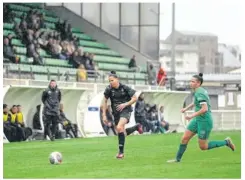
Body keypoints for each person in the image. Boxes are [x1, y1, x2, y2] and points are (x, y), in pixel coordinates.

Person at [167, 73, 235, 163]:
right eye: (190, 81)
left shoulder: (200, 92)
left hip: (204, 121)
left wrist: (191, 115)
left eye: (193, 81)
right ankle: (177, 160)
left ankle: (226, 142)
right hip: (197, 120)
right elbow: (195, 102)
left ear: (198, 83)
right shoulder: (198, 91)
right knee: (184, 138)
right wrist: (185, 109)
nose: (190, 83)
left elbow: (204, 109)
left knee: (203, 147)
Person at [102, 71, 143, 159]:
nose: (110, 82)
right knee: (121, 132)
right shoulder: (109, 89)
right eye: (109, 81)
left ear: (117, 79)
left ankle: (121, 153)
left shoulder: (125, 88)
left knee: (119, 127)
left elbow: (135, 98)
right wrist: (104, 115)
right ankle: (136, 127)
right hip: (115, 112)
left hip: (126, 110)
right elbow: (104, 101)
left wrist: (125, 104)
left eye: (112, 80)